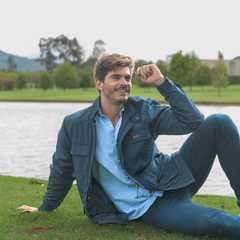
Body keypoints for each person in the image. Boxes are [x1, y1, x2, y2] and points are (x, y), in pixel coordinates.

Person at [18, 53, 240, 239]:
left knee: (219, 122)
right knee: (215, 224)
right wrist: (45, 208)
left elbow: (193, 121)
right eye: (116, 77)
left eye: (127, 77)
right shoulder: (75, 125)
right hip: (152, 205)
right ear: (99, 83)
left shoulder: (142, 109)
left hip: (173, 175)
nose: (124, 83)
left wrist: (162, 83)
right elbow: (62, 170)